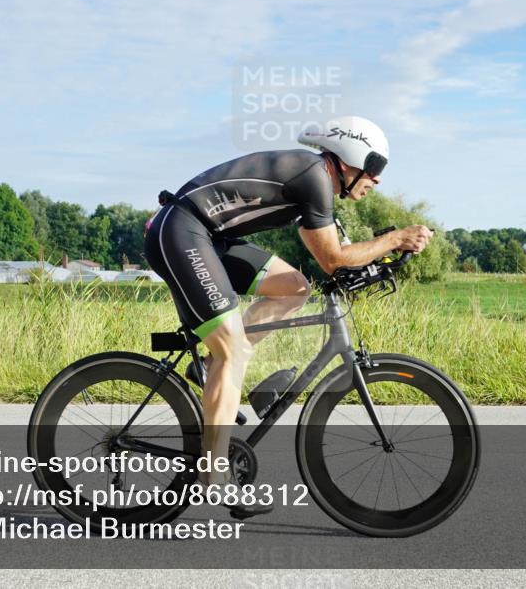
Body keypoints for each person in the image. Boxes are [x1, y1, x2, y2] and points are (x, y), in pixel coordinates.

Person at [142, 116, 433, 517]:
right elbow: (332, 259)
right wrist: (395, 239)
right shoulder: (314, 175)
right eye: (374, 166)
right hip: (181, 231)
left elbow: (340, 256)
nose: (377, 180)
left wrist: (376, 261)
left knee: (295, 288)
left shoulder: (317, 182)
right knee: (233, 353)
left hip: (211, 236)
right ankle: (213, 475)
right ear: (349, 157)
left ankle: (211, 368)